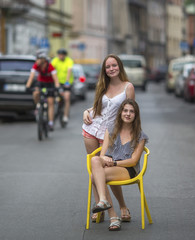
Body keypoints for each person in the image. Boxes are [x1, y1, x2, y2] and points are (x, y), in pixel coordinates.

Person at [82, 54, 135, 223]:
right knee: (95, 171)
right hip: (91, 130)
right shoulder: (103, 85)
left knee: (108, 173)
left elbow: (130, 111)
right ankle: (100, 206)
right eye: (107, 67)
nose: (111, 69)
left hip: (112, 135)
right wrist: (86, 111)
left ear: (119, 66)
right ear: (104, 70)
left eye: (114, 65)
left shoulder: (128, 87)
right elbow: (98, 106)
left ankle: (122, 206)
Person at [91, 99, 148, 231]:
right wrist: (105, 159)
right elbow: (102, 154)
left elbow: (133, 161)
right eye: (125, 110)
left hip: (128, 169)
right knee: (95, 160)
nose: (128, 114)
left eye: (131, 111)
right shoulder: (111, 129)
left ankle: (113, 215)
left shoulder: (140, 135)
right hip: (111, 166)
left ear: (136, 115)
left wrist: (114, 162)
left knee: (95, 176)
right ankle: (106, 202)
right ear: (120, 112)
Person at [26, 52, 60, 131]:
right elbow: (31, 76)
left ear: (43, 60)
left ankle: (51, 123)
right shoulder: (36, 65)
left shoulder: (50, 66)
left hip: (50, 84)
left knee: (50, 102)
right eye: (36, 59)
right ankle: (38, 107)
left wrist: (57, 87)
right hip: (41, 82)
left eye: (38, 59)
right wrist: (27, 86)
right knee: (35, 93)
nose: (36, 61)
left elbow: (56, 79)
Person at [51, 48, 74, 123]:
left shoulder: (69, 60)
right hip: (57, 82)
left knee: (66, 98)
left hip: (67, 82)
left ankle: (65, 116)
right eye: (59, 55)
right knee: (53, 96)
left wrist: (67, 82)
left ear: (65, 55)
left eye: (62, 55)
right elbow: (51, 70)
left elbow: (69, 71)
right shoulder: (55, 60)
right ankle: (54, 109)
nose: (61, 56)